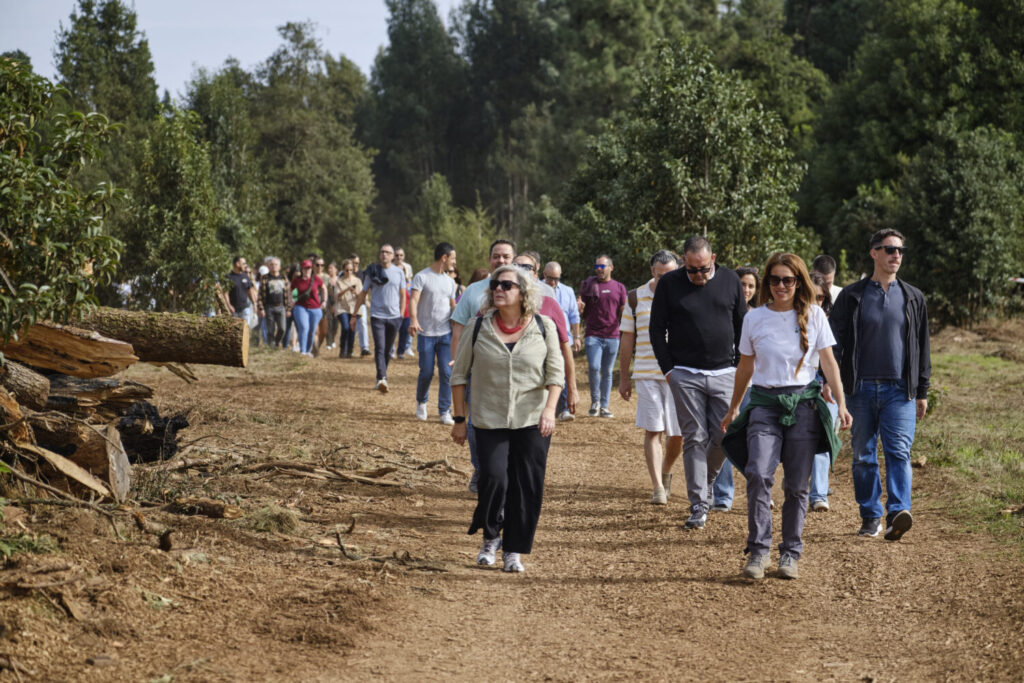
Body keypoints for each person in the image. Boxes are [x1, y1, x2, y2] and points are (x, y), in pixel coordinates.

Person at [720, 252, 852, 580]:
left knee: (796, 485)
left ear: (799, 282)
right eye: (775, 280)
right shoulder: (754, 318)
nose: (781, 286)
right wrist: (735, 405)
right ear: (767, 283)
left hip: (803, 405)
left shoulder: (815, 315)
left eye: (788, 280)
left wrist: (842, 402)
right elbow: (746, 366)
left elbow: (829, 363)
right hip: (764, 404)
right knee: (758, 473)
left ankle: (790, 553)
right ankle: (759, 550)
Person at [450, 265, 564, 573]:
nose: (498, 289)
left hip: (533, 418)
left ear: (523, 293)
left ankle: (514, 549)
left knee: (527, 485)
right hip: (489, 418)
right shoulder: (478, 327)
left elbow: (556, 375)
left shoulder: (544, 326)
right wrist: (459, 418)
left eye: (506, 285)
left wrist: (550, 409)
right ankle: (490, 537)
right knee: (494, 479)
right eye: (495, 285)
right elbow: (459, 376)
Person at [830, 228, 930, 541]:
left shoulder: (914, 297)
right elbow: (833, 343)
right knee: (863, 455)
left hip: (900, 390)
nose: (895, 255)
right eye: (888, 249)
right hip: (858, 390)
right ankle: (870, 515)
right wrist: (829, 382)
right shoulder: (852, 295)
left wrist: (923, 391)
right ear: (874, 253)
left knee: (899, 452)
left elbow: (923, 346)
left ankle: (898, 512)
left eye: (900, 250)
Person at [650, 236, 746, 530]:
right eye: (692, 270)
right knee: (694, 437)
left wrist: (740, 367)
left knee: (723, 436)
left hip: (724, 373)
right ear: (683, 262)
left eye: (703, 269)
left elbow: (743, 325)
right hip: (685, 374)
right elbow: (656, 329)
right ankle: (698, 505)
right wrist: (669, 371)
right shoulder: (669, 285)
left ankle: (704, 482)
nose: (698, 276)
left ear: (712, 259)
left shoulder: (731, 280)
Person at [450, 239, 517, 492]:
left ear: (514, 258)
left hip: (514, 374)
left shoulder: (525, 290)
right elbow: (458, 328)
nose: (501, 261)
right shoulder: (474, 291)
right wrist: (458, 364)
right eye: (496, 256)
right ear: (489, 260)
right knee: (477, 425)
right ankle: (481, 469)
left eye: (506, 256)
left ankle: (504, 472)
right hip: (478, 373)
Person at [618, 250, 683, 505]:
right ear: (651, 272)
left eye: (671, 274)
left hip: (679, 374)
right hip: (646, 373)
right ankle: (657, 486)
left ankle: (666, 471)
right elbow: (627, 339)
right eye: (660, 275)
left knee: (677, 434)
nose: (666, 279)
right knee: (654, 429)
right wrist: (624, 377)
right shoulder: (635, 298)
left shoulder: (686, 294)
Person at [711, 265, 761, 512]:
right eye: (742, 285)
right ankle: (722, 495)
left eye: (751, 285)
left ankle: (759, 489)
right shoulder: (722, 313)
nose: (747, 290)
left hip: (755, 384)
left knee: (756, 440)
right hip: (725, 381)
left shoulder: (763, 315)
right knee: (725, 436)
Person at [514, 252, 579, 425]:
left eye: (526, 267)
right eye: (516, 266)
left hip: (539, 384)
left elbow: (564, 346)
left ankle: (560, 407)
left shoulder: (548, 300)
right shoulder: (497, 299)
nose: (520, 271)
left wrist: (572, 388)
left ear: (536, 273)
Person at [410, 242, 459, 424]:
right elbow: (413, 300)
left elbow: (453, 305)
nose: (455, 262)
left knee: (447, 372)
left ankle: (444, 410)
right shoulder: (422, 277)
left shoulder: (450, 281)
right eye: (453, 258)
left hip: (445, 333)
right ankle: (422, 401)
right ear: (444, 258)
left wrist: (459, 322)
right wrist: (413, 319)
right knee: (427, 372)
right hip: (426, 333)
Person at [578, 255, 628, 417]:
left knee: (607, 371)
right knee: (594, 367)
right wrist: (579, 306)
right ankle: (595, 401)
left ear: (611, 268)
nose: (599, 270)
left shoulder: (619, 287)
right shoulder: (589, 286)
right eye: (597, 267)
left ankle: (604, 406)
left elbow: (623, 310)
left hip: (612, 335)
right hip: (593, 334)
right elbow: (581, 305)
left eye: (602, 266)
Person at [353, 244, 407, 392]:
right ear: (379, 255)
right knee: (380, 347)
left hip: (394, 316)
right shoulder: (373, 271)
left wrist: (401, 314)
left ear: (392, 256)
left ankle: (380, 376)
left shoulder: (399, 272)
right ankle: (382, 378)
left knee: (388, 351)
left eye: (387, 252)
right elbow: (363, 293)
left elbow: (403, 294)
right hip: (377, 316)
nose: (384, 254)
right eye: (382, 252)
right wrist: (354, 313)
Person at [808, 272, 837, 512]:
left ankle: (818, 493)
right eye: (810, 296)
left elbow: (834, 358)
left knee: (824, 437)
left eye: (820, 297)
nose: (815, 301)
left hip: (825, 384)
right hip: (800, 386)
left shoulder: (832, 320)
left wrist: (830, 383)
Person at [543, 261, 582, 421]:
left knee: (564, 370)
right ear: (543, 275)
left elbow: (574, 315)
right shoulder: (537, 290)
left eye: (556, 279)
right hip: (544, 339)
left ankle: (564, 408)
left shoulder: (568, 291)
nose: (553, 282)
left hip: (563, 338)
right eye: (550, 278)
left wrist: (577, 336)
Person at [290, 259, 326, 357]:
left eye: (309, 268)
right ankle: (303, 350)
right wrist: (293, 299)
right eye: (305, 268)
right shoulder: (297, 280)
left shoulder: (316, 279)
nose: (307, 270)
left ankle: (309, 350)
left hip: (315, 308)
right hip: (300, 307)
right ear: (302, 269)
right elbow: (292, 290)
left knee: (312, 330)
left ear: (311, 268)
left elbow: (324, 288)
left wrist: (324, 301)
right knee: (304, 327)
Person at [259, 257, 292, 348]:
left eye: (276, 264)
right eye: (271, 264)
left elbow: (289, 295)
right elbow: (260, 295)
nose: (274, 266)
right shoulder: (265, 278)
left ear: (279, 267)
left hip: (281, 307)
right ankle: (271, 346)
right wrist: (261, 308)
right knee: (270, 330)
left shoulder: (284, 278)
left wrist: (289, 309)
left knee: (282, 328)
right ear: (268, 266)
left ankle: (277, 342)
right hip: (269, 307)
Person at [336, 259, 362, 358]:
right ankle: (343, 348)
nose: (349, 272)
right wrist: (347, 289)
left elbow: (361, 295)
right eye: (346, 270)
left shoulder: (357, 281)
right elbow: (337, 296)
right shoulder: (339, 281)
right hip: (342, 308)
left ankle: (350, 350)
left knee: (352, 329)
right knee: (345, 327)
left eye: (351, 270)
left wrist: (356, 292)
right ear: (343, 270)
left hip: (354, 308)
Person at [394, 247, 416, 359]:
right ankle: (390, 350)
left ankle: (401, 351)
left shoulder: (409, 284)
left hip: (406, 310)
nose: (399, 257)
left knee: (404, 332)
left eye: (401, 255)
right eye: (396, 255)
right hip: (394, 309)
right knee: (393, 332)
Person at [349, 253, 371, 357]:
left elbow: (366, 289)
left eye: (357, 263)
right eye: (353, 263)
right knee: (350, 326)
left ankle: (365, 347)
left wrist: (366, 300)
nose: (354, 266)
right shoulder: (343, 273)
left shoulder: (362, 274)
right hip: (348, 304)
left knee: (363, 323)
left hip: (360, 302)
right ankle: (348, 348)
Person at [224, 256, 257, 321]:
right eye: (244, 263)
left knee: (246, 329)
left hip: (245, 308)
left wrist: (254, 304)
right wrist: (229, 305)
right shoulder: (228, 277)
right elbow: (225, 293)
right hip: (233, 310)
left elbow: (250, 291)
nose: (245, 265)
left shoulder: (245, 276)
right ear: (237, 264)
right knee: (236, 330)